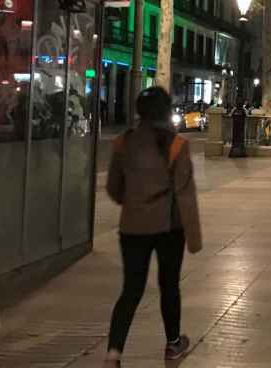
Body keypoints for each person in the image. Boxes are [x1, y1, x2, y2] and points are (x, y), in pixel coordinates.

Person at [105, 87, 203, 366]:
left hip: (132, 228)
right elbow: (186, 195)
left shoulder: (123, 143)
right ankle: (173, 344)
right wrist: (194, 238)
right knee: (169, 286)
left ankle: (114, 352)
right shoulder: (176, 146)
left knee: (131, 289)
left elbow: (113, 189)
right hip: (169, 228)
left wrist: (136, 203)